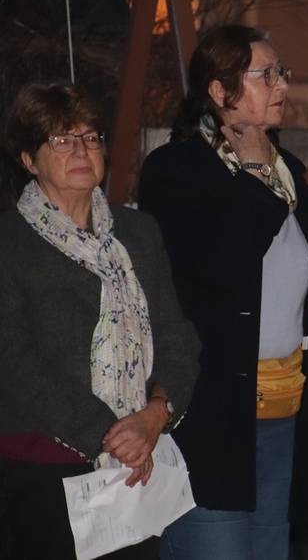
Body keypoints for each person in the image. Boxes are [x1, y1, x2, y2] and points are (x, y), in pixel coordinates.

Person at [137, 24, 308, 560]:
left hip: (284, 416)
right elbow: (221, 268)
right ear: (220, 90)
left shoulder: (291, 174)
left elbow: (297, 274)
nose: (282, 85)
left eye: (282, 73)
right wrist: (254, 173)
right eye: (266, 75)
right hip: (212, 419)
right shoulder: (176, 171)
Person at [0, 82, 199, 559]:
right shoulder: (9, 244)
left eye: (90, 138)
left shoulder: (139, 232)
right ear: (29, 160)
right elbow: (13, 361)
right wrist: (112, 436)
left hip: (138, 463)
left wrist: (155, 414)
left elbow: (178, 338)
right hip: (44, 469)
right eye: (61, 140)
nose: (81, 150)